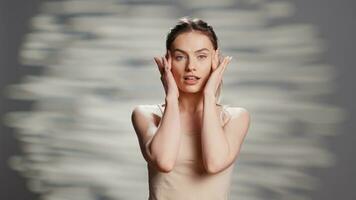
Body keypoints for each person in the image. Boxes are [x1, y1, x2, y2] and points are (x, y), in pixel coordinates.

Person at [131, 16, 251, 200]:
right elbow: (164, 161)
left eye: (201, 56)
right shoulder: (147, 115)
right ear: (168, 61)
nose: (191, 67)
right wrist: (171, 97)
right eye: (180, 57)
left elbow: (214, 163)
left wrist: (209, 96)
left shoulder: (235, 118)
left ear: (215, 59)